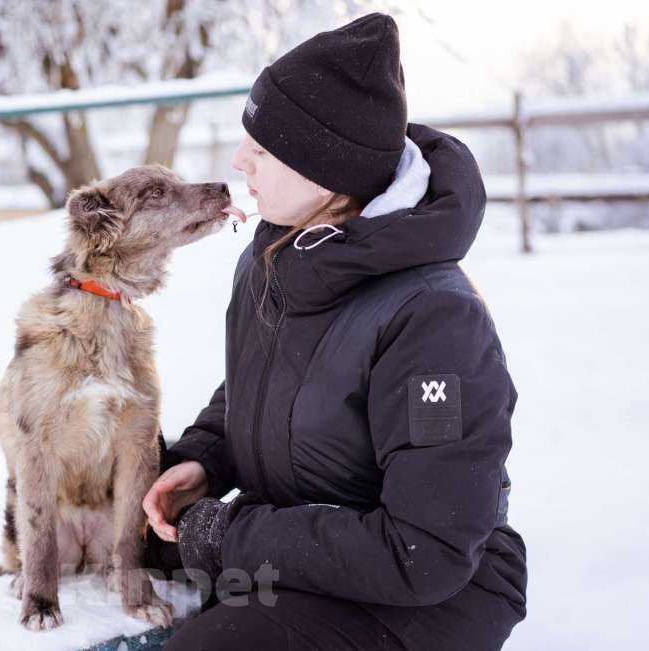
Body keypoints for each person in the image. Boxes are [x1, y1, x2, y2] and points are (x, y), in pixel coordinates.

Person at [140, 12, 528, 651]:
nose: (241, 161)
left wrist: (229, 535)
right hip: (301, 550)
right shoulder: (277, 255)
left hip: (426, 592)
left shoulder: (435, 321)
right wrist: (207, 458)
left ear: (328, 173)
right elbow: (269, 384)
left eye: (262, 149)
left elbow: (423, 550)